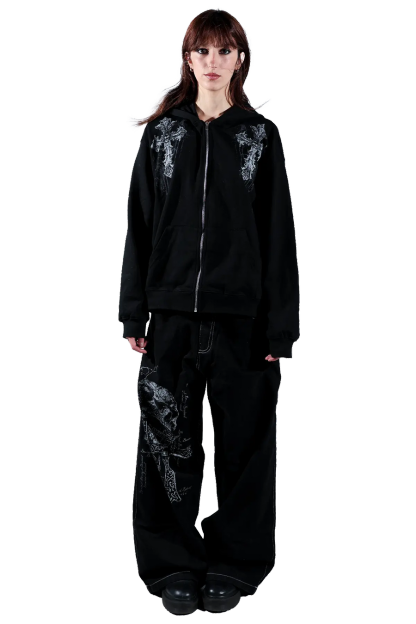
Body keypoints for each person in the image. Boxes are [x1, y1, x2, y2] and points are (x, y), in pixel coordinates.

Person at [117, 4, 301, 616]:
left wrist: (281, 327)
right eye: (203, 50)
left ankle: (235, 563)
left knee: (246, 447)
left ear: (241, 59)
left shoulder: (260, 137)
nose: (214, 62)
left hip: (244, 323)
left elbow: (279, 237)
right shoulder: (161, 137)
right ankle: (171, 563)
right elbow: (139, 227)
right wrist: (133, 312)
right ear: (187, 58)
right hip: (169, 317)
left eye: (225, 50)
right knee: (166, 443)